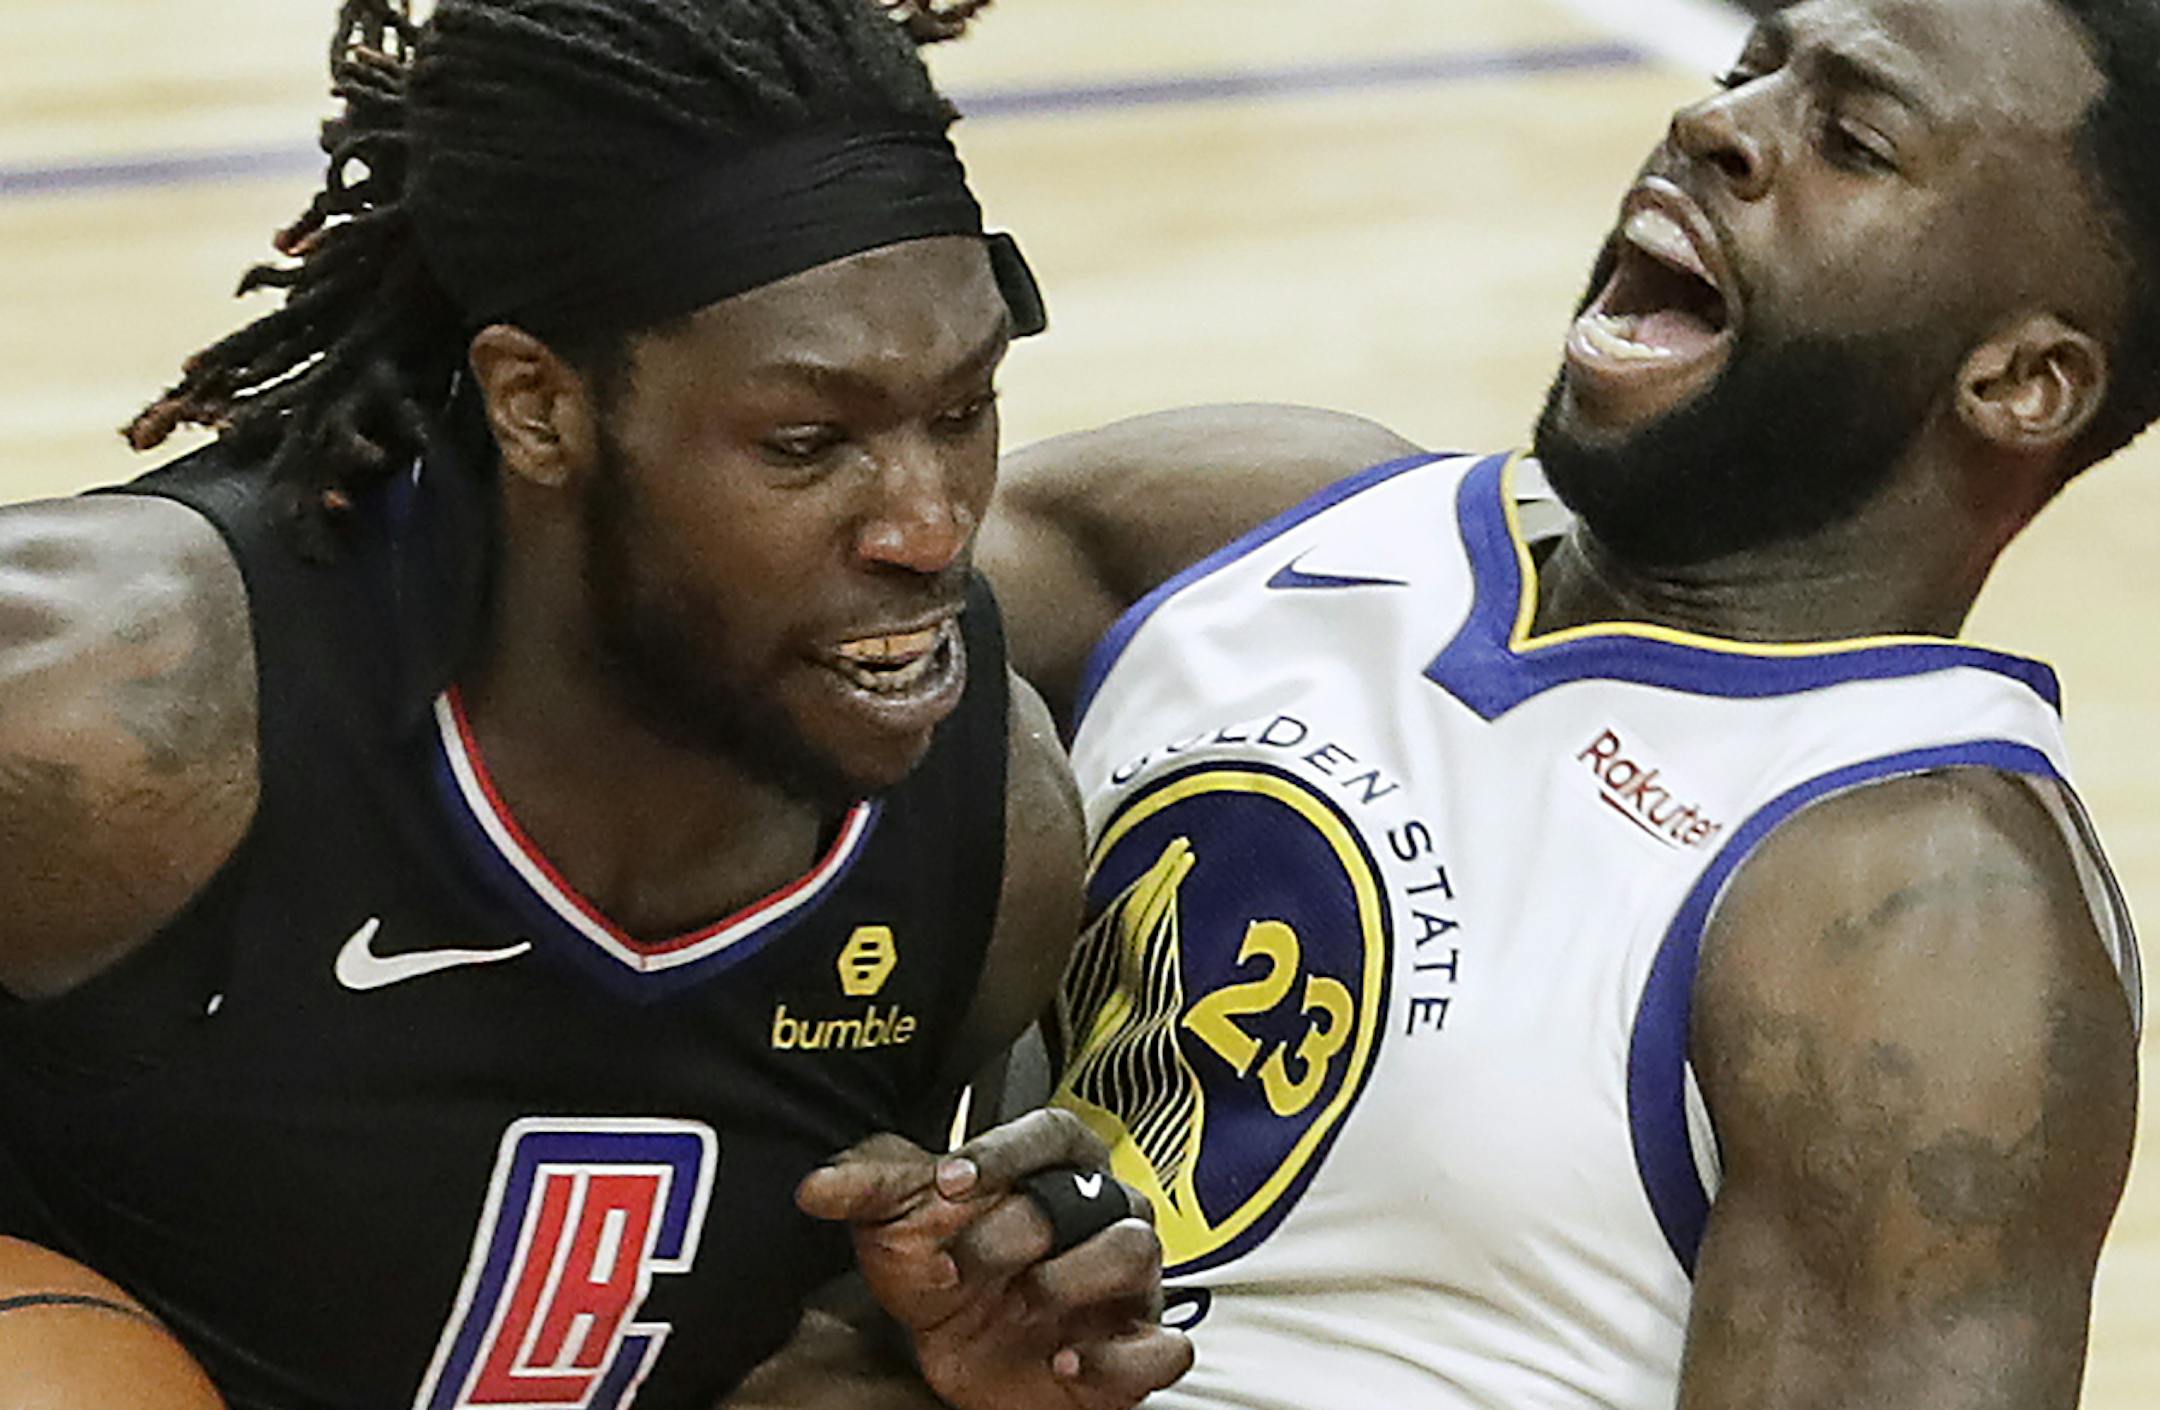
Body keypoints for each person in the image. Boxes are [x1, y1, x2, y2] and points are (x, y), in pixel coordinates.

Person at [0, 2, 1188, 1408]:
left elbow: (765, 1356)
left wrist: (935, 1374)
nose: (931, 528)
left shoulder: (988, 835)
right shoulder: (104, 717)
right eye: (809, 444)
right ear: (538, 406)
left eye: (963, 409)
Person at [972, 0, 2149, 1405]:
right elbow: (750, 604)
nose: (1716, 124)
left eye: (1849, 139)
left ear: (2023, 382)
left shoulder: (1926, 923)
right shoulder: (1248, 520)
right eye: (1751, 68)